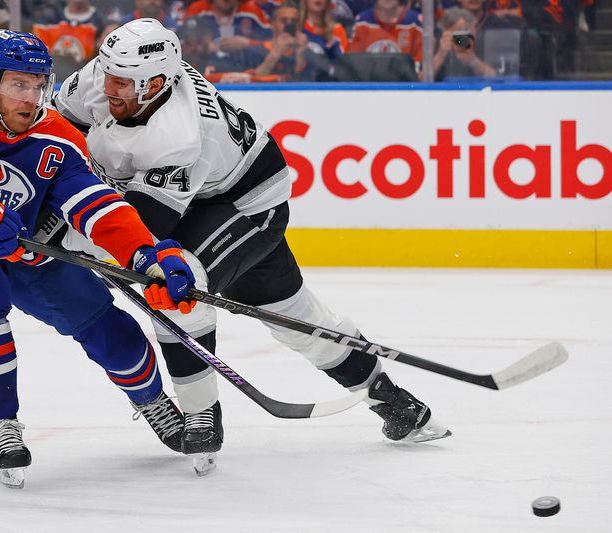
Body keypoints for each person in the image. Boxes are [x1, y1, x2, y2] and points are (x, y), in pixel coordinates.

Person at [53, 18, 449, 473]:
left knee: (174, 288)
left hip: (246, 203)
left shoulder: (177, 133)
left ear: (157, 83)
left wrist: (61, 230)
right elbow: (55, 135)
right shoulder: (100, 79)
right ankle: (397, 405)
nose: (109, 86)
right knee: (296, 319)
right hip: (199, 196)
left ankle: (202, 416)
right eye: (107, 72)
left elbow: (139, 229)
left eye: (122, 81)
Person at [0, 29, 198, 488]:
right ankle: (0, 425)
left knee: (98, 317)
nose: (31, 97)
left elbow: (95, 204)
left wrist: (146, 253)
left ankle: (152, 402)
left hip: (18, 242)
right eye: (18, 85)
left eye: (38, 84)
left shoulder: (58, 138)